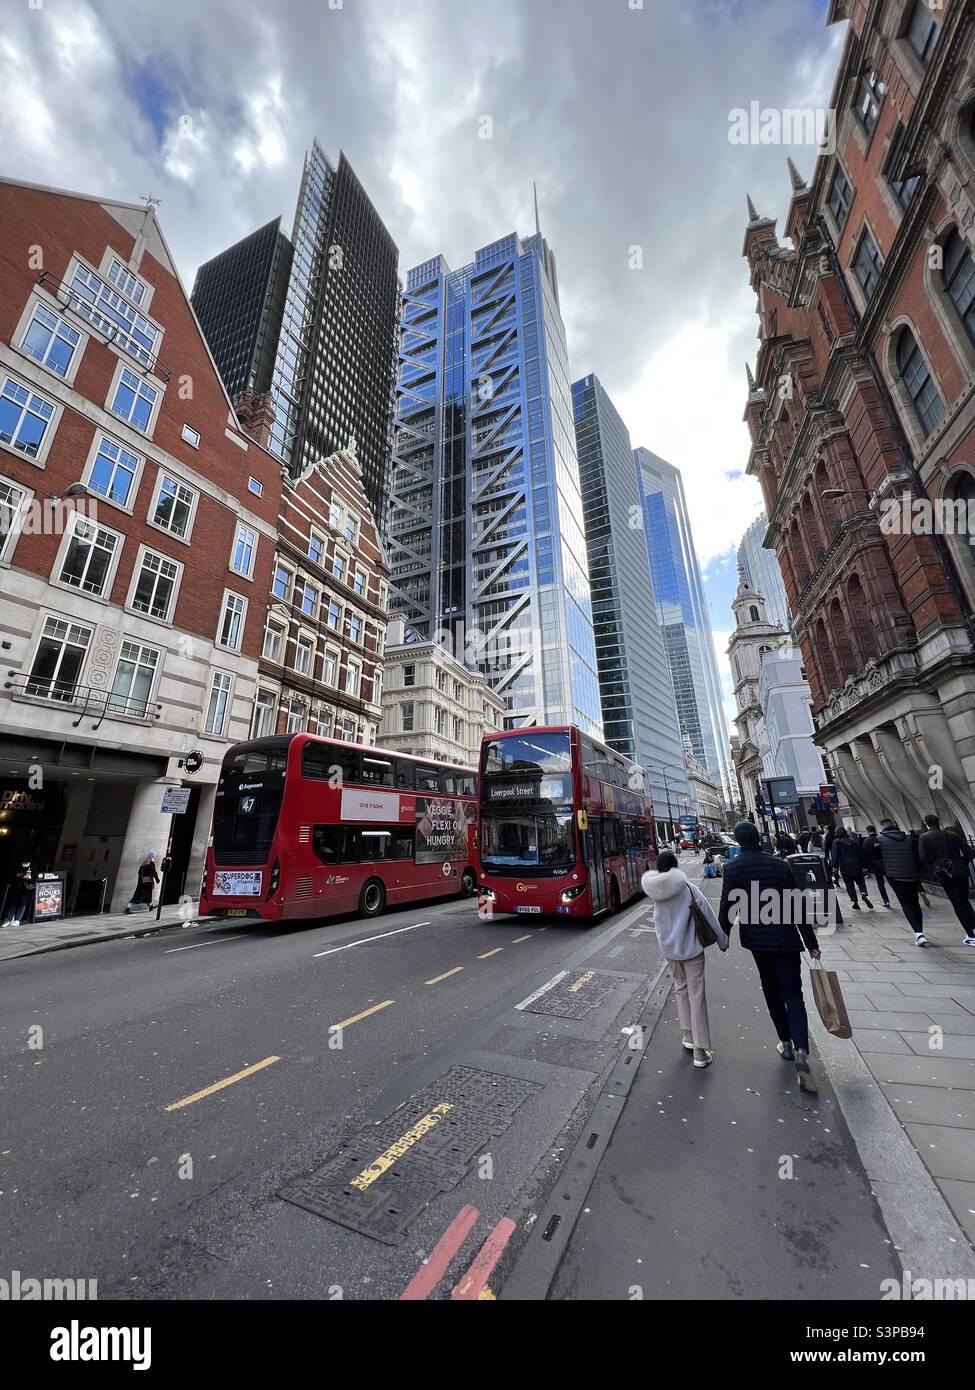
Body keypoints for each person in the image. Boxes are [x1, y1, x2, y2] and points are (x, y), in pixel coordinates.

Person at [718, 820, 821, 1092]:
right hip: (786, 939)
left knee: (772, 991)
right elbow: (796, 903)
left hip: (757, 941)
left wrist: (723, 936)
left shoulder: (733, 868)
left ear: (738, 842)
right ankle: (802, 1050)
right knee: (793, 994)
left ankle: (785, 1043)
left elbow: (728, 904)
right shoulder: (780, 865)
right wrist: (810, 941)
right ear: (760, 839)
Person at [642, 850, 727, 1068]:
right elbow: (707, 913)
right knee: (696, 994)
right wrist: (722, 940)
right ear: (676, 866)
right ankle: (700, 1049)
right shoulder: (688, 888)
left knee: (681, 989)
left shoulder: (656, 894)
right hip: (692, 948)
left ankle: (688, 1035)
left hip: (670, 952)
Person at [918, 815, 975, 945]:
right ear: (939, 822)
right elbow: (970, 852)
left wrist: (935, 865)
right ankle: (973, 927)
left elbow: (923, 856)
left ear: (927, 824)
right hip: (961, 871)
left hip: (945, 873)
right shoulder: (953, 835)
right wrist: (961, 863)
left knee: (957, 903)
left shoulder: (924, 837)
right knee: (965, 901)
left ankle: (971, 935)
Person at [876, 818, 926, 945]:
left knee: (906, 903)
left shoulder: (880, 840)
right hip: (911, 874)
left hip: (894, 875)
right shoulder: (908, 839)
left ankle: (918, 933)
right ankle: (920, 929)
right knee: (915, 903)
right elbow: (918, 857)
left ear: (882, 827)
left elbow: (876, 858)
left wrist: (885, 869)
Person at [830, 826, 873, 910]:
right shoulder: (853, 841)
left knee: (849, 885)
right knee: (860, 881)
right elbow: (860, 853)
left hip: (845, 866)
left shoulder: (836, 842)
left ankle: (855, 902)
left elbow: (835, 855)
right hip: (857, 864)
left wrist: (834, 866)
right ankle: (863, 893)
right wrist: (863, 865)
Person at [860, 824, 892, 908]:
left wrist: (865, 867)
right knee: (892, 882)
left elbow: (865, 854)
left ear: (867, 831)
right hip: (886, 863)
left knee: (880, 883)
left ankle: (886, 901)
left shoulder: (867, 841)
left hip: (875, 865)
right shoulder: (881, 839)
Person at [2, 861, 33, 927]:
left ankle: (17, 920)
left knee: (21, 904)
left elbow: (32, 879)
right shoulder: (18, 867)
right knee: (13, 904)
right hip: (16, 888)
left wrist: (28, 879)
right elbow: (13, 876)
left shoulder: (32, 868)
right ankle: (9, 919)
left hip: (25, 889)